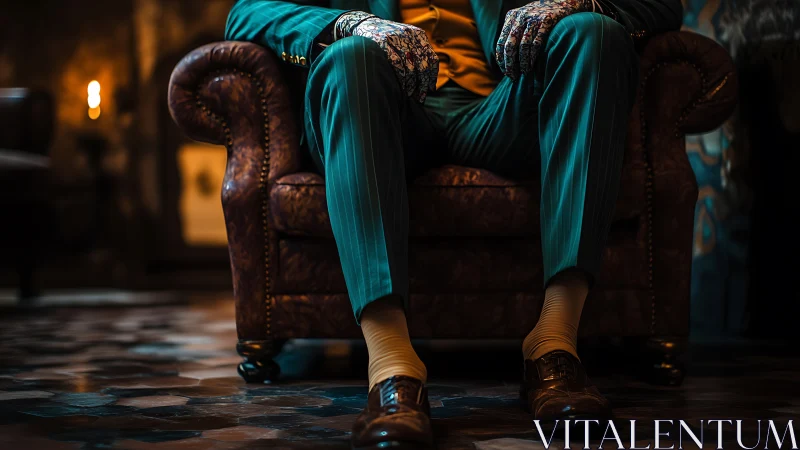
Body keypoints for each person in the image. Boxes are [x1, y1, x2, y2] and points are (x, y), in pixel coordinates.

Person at [225, 0, 682, 448]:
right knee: (349, 58)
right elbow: (245, 12)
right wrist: (351, 23)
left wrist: (578, 3)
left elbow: (661, 5)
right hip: (382, 108)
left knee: (593, 31)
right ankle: (392, 366)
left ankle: (555, 342)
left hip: (503, 110)